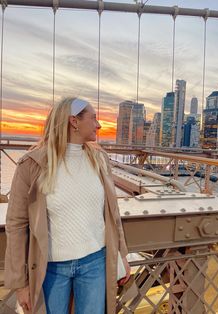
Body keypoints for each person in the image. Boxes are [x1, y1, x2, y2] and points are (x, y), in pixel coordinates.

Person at [4, 97, 130, 314]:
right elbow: (16, 224)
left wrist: (123, 256)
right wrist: (20, 283)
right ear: (74, 122)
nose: (99, 125)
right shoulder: (31, 165)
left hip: (96, 262)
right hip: (51, 269)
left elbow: (112, 214)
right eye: (93, 118)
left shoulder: (100, 159)